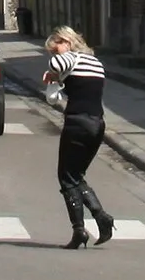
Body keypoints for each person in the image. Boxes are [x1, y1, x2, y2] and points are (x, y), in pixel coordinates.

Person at [41, 25, 115, 248]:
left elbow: (58, 64)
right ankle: (101, 218)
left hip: (77, 123)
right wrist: (58, 81)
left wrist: (53, 72)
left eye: (56, 48)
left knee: (66, 177)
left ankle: (80, 230)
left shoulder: (71, 57)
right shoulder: (94, 62)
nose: (54, 54)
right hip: (97, 124)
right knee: (76, 176)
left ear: (67, 42)